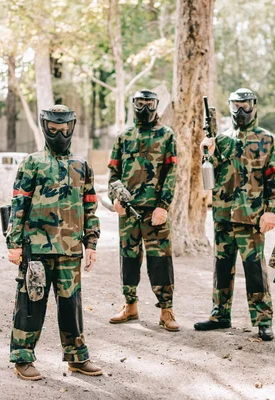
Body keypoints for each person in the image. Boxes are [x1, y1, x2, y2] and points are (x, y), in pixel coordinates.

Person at [6, 105, 102, 380]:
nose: (59, 133)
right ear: (44, 127)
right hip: (35, 249)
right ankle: (22, 358)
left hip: (70, 250)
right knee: (31, 303)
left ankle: (76, 357)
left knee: (72, 306)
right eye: (53, 128)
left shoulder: (81, 165)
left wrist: (91, 244)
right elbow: (18, 203)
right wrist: (13, 243)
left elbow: (90, 207)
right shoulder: (32, 162)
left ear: (72, 127)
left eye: (64, 128)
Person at [195, 88, 275, 341]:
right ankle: (219, 315)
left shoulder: (265, 139)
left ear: (254, 106)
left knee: (255, 271)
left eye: (246, 105)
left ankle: (263, 321)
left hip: (251, 218)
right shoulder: (220, 140)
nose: (241, 111)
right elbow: (207, 178)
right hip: (223, 216)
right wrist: (206, 152)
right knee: (221, 268)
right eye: (235, 105)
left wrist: (271, 211)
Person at [107, 90, 179, 332]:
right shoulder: (123, 137)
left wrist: (163, 206)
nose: (145, 107)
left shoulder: (166, 135)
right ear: (133, 104)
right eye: (140, 103)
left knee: (160, 262)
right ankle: (130, 306)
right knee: (128, 260)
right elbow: (113, 175)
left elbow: (171, 174)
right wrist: (115, 199)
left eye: (149, 103)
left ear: (156, 105)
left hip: (154, 212)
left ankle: (166, 310)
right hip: (128, 212)